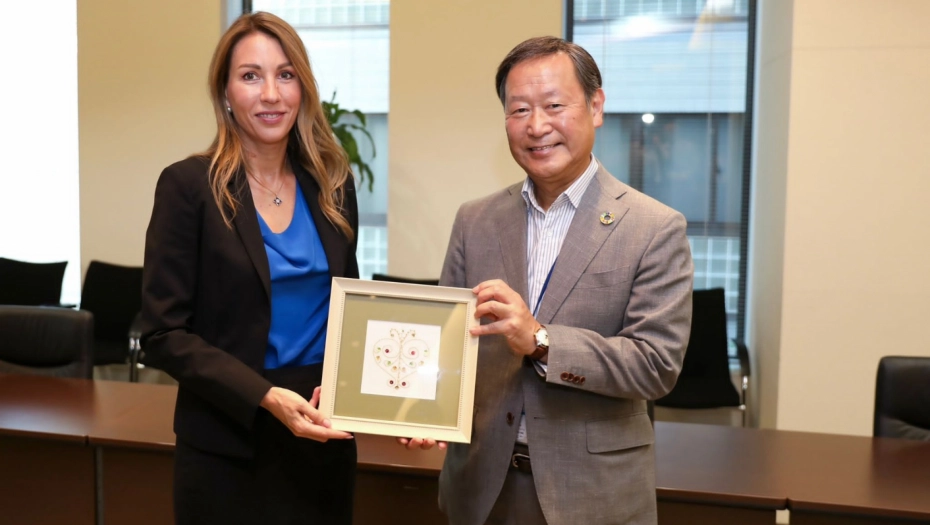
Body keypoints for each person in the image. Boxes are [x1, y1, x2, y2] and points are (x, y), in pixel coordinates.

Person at [401, 37, 693, 524]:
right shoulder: (475, 220)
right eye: (519, 110)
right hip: (481, 491)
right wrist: (421, 407)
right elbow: (446, 345)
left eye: (555, 106)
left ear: (596, 106)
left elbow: (655, 365)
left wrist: (541, 340)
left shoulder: (653, 227)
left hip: (592, 497)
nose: (537, 126)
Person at [140, 12, 358, 525]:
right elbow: (163, 333)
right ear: (225, 92)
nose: (271, 94)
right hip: (226, 442)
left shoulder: (333, 184)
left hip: (320, 434)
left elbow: (350, 310)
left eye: (286, 75)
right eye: (251, 76)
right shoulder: (188, 187)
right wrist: (264, 396)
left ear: (303, 88)